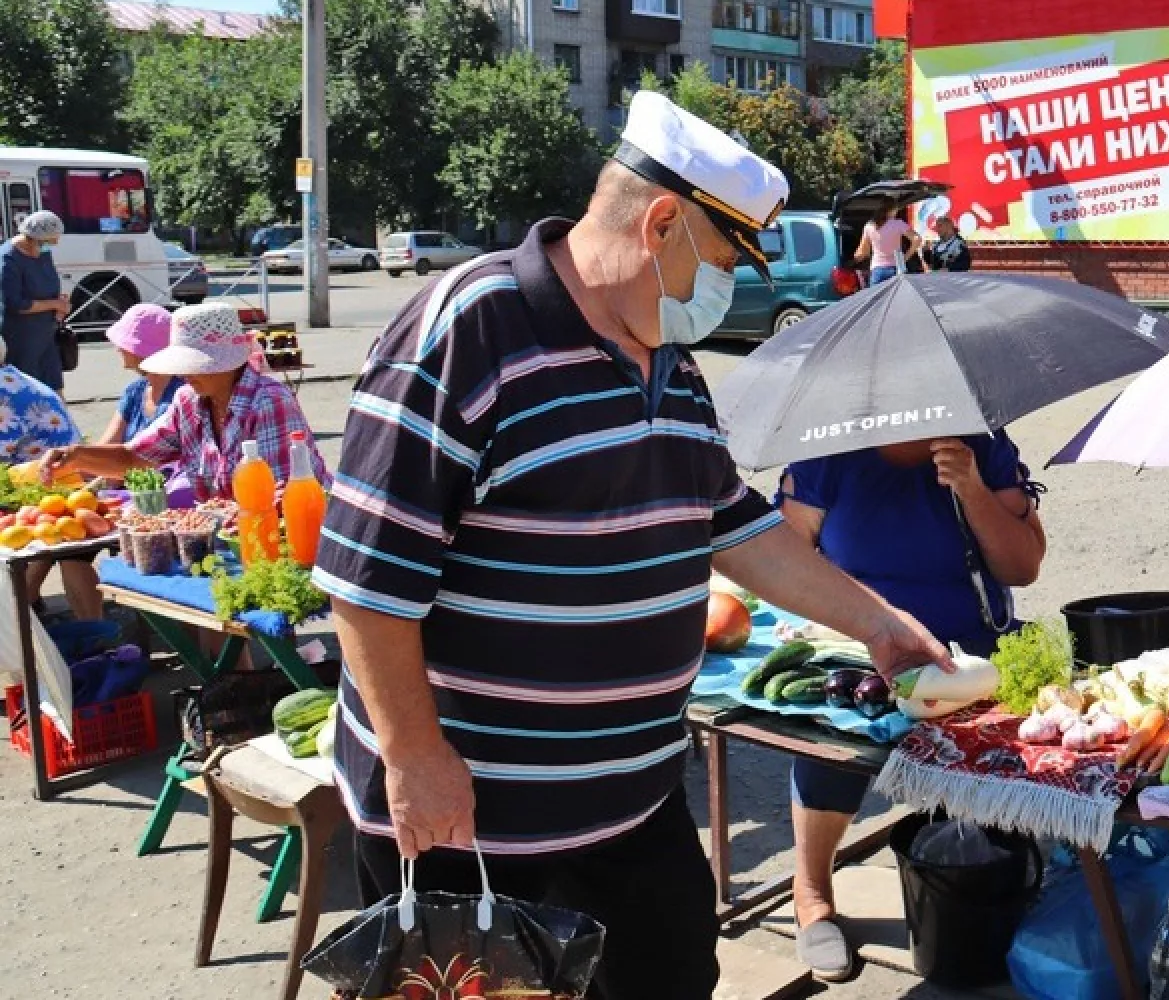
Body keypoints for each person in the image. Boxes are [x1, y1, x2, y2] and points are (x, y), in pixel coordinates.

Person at [308, 90, 950, 1000]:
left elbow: (731, 522)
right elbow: (366, 576)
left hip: (634, 806)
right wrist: (414, 757)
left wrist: (876, 622)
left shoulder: (669, 361)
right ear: (662, 225)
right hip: (472, 826)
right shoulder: (467, 327)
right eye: (725, 260)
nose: (728, 289)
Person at [779, 432, 1045, 980]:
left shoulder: (981, 446)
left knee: (1017, 755)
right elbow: (782, 560)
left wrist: (972, 488)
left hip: (971, 656)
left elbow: (1022, 566)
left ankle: (995, 877)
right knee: (835, 748)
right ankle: (811, 894)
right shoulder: (827, 452)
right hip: (859, 652)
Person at [38, 302, 327, 498]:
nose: (184, 373)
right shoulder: (187, 400)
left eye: (195, 364)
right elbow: (135, 457)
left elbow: (281, 497)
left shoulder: (268, 401)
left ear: (226, 363)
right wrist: (75, 456)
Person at [0, 342, 102, 619]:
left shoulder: (3, 392)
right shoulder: (12, 376)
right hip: (57, 483)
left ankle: (17, 611)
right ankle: (23, 604)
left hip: (55, 485)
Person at [0, 211, 71, 393]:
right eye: (51, 241)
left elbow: (49, 283)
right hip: (20, 338)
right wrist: (53, 304)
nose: (53, 246)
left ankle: (61, 421)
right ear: (33, 238)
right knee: (25, 391)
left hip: (46, 336)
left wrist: (61, 301)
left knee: (55, 389)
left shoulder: (42, 252)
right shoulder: (8, 259)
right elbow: (16, 304)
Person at [97, 304, 184, 446]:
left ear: (142, 351)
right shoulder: (135, 391)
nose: (118, 349)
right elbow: (107, 444)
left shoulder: (182, 396)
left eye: (124, 343)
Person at [855, 200, 916, 285]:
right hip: (896, 268)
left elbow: (863, 252)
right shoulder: (898, 224)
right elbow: (917, 239)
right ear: (893, 209)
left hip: (877, 270)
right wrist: (905, 258)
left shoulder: (869, 226)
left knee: (878, 298)